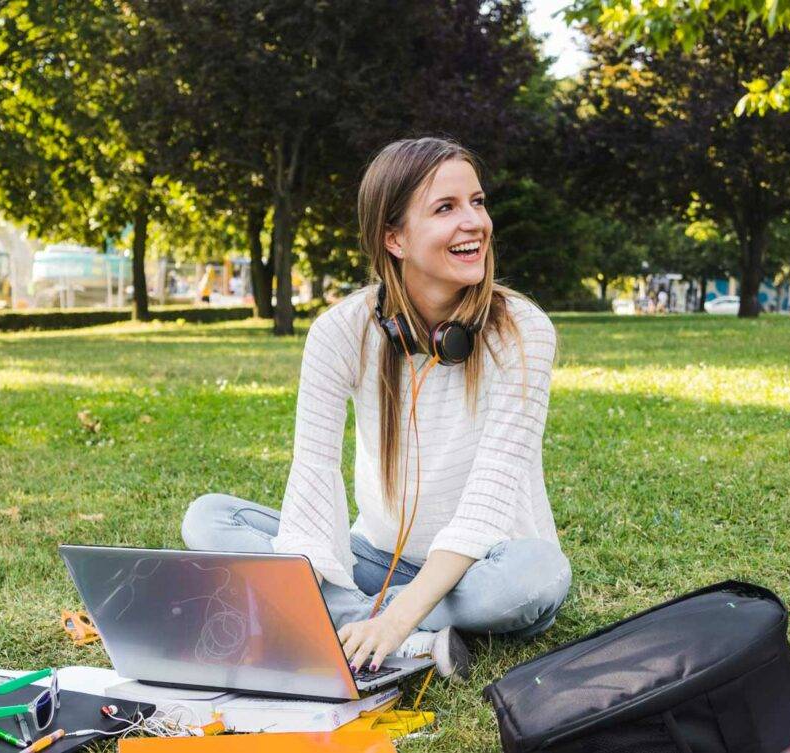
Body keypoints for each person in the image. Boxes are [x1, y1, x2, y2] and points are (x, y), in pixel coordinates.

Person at [181, 137, 571, 682]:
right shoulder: (340, 331)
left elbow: (491, 495)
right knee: (210, 517)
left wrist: (395, 614)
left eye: (477, 202)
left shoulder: (524, 330)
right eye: (446, 208)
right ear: (394, 238)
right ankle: (413, 639)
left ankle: (358, 625)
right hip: (376, 560)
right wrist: (318, 568)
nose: (475, 223)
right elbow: (313, 470)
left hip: (486, 566)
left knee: (536, 576)